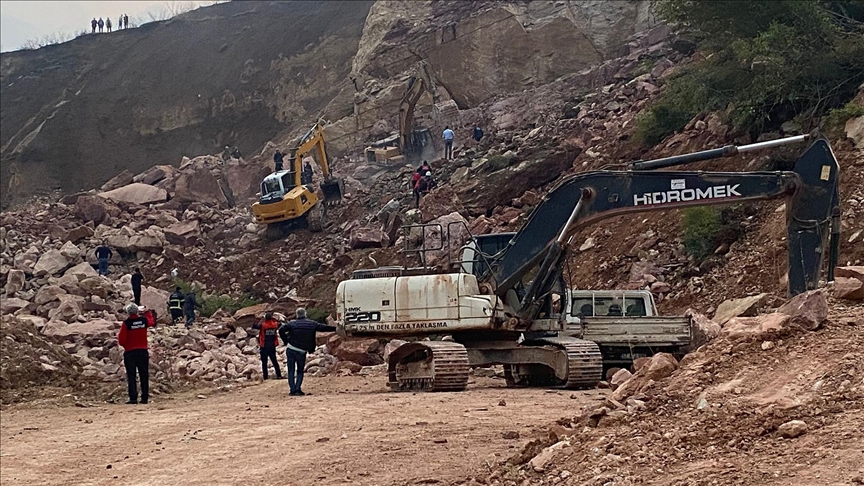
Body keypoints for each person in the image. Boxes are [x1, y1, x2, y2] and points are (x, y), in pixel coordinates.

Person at [278, 308, 336, 396]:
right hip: (302, 351)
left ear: (297, 315)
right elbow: (323, 328)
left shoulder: (292, 323)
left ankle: (292, 390)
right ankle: (298, 389)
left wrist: (286, 341)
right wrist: (336, 328)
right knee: (300, 370)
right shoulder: (311, 323)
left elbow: (281, 330)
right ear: (305, 314)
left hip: (291, 349)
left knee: (291, 370)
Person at [118, 303, 156, 404]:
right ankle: (144, 397)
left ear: (128, 312)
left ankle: (133, 398)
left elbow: (121, 340)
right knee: (144, 374)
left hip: (130, 352)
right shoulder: (143, 320)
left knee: (131, 375)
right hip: (142, 351)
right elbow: (151, 322)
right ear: (137, 311)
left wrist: (127, 345)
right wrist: (147, 312)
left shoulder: (126, 323)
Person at [252, 312, 283, 380]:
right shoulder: (275, 324)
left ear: (265, 318)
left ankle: (265, 377)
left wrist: (258, 319)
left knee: (264, 363)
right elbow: (280, 324)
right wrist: (274, 319)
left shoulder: (263, 325)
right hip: (272, 345)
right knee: (274, 361)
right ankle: (279, 375)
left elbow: (254, 325)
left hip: (264, 346)